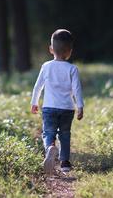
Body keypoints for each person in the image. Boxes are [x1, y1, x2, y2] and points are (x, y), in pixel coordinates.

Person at [30, 29, 84, 175]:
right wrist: (80, 106)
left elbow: (38, 86)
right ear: (70, 51)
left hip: (49, 107)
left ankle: (49, 149)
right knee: (65, 134)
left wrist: (34, 102)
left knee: (49, 133)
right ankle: (65, 163)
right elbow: (77, 89)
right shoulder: (72, 69)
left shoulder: (46, 66)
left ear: (51, 49)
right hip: (67, 108)